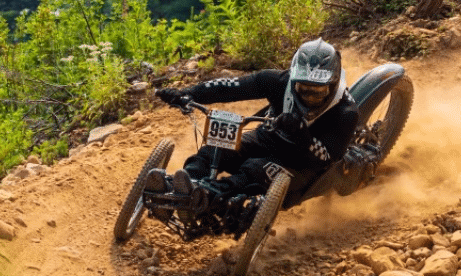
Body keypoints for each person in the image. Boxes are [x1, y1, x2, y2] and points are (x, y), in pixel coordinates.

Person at [150, 38, 359, 210]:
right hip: (268, 137)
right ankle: (185, 183)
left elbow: (327, 159)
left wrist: (302, 134)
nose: (309, 97)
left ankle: (209, 195)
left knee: (255, 170)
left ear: (332, 84)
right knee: (216, 149)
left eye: (317, 92)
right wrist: (187, 94)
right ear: (294, 79)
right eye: (303, 89)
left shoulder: (346, 112)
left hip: (302, 163)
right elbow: (230, 87)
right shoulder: (278, 81)